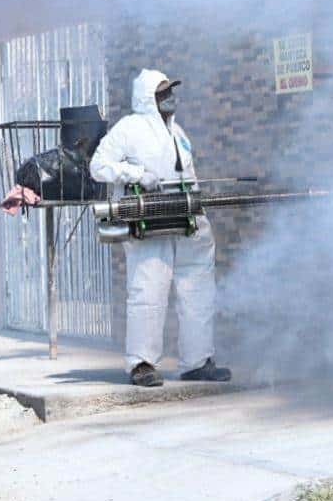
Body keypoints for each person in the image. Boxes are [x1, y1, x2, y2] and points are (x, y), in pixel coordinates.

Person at [91, 68, 232, 388]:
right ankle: (141, 363)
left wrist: (200, 213)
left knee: (198, 292)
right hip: (150, 219)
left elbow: (189, 176)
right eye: (164, 93)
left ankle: (197, 361)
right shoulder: (129, 128)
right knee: (148, 290)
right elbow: (98, 167)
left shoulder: (178, 132)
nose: (171, 99)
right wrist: (136, 174)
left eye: (171, 92)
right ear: (148, 98)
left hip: (186, 218)